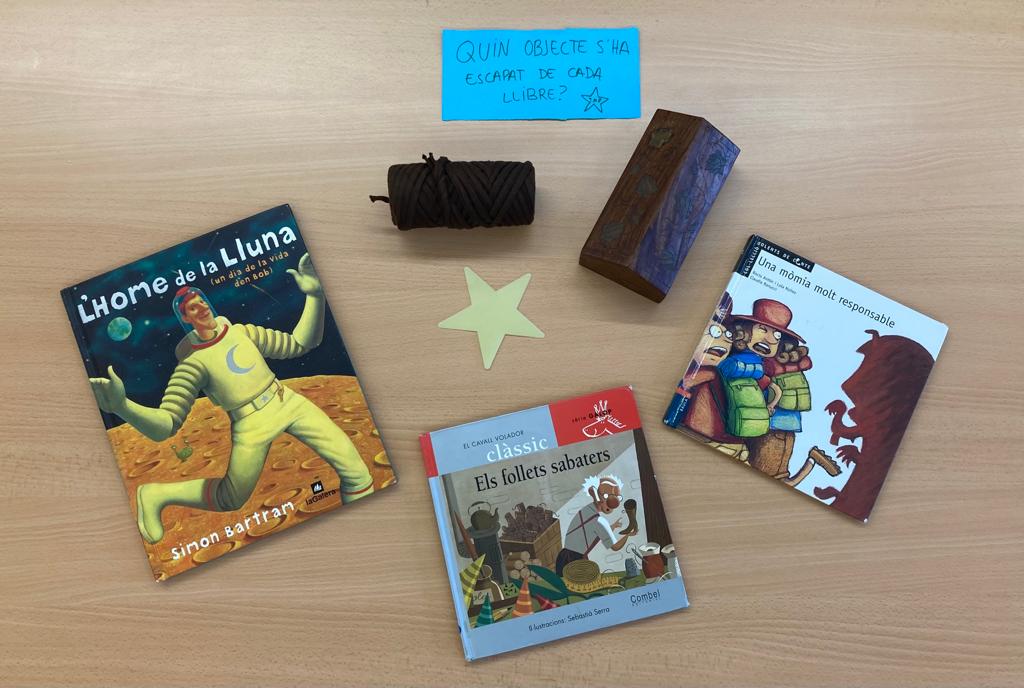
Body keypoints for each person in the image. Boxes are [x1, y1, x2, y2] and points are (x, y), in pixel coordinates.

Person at [89, 253, 374, 544]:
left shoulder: (242, 333)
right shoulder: (192, 364)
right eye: (192, 307)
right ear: (186, 318)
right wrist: (122, 407)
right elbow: (167, 424)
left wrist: (314, 296)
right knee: (231, 498)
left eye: (202, 301)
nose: (201, 307)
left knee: (358, 475)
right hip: (250, 425)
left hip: (287, 402)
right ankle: (156, 494)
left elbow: (300, 343)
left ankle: (362, 538)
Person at [555, 474, 632, 575]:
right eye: (607, 496)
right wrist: (628, 534)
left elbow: (595, 531)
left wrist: (613, 526)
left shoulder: (586, 510)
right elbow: (615, 547)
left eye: (617, 497)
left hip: (563, 558)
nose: (614, 502)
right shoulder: (600, 521)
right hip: (575, 563)